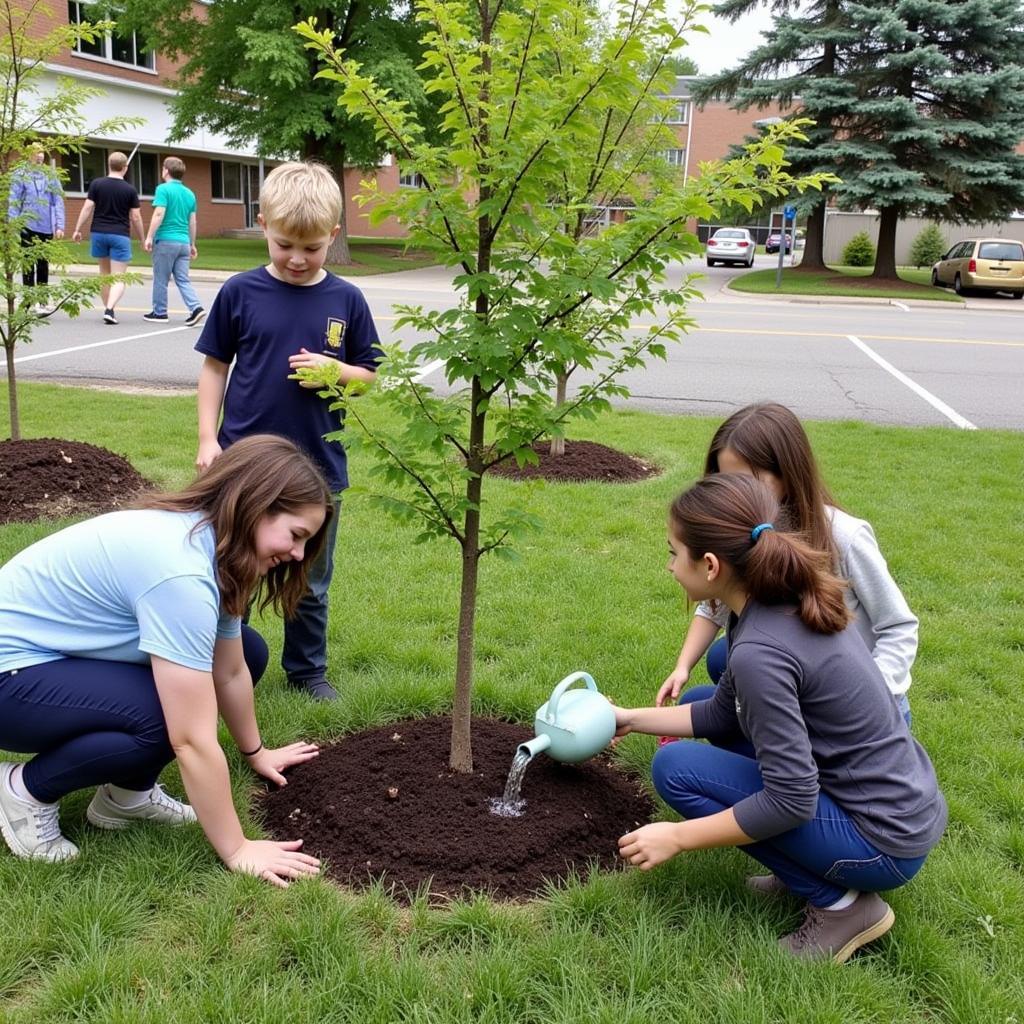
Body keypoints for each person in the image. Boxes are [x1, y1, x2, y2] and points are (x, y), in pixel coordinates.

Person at [614, 473, 947, 962]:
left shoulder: (760, 651)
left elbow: (791, 799)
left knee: (676, 770)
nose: (668, 566)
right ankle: (817, 867)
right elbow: (724, 714)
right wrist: (630, 718)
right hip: (902, 807)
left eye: (672, 552)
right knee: (707, 699)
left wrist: (677, 836)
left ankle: (843, 906)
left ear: (710, 566)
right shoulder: (782, 597)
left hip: (884, 842)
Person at [0, 435, 331, 887]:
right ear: (256, 505)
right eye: (296, 535)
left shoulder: (213, 544)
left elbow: (231, 669)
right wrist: (237, 847)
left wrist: (256, 753)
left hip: (47, 658)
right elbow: (191, 740)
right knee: (164, 717)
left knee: (247, 651)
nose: (297, 554)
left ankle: (126, 797)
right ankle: (25, 790)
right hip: (10, 677)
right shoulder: (181, 573)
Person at [194, 160, 383, 702]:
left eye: (311, 248)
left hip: (319, 469)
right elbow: (214, 366)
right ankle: (221, 666)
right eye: (283, 245)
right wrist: (209, 439)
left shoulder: (346, 300)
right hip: (244, 466)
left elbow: (368, 375)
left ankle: (307, 672)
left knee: (310, 582)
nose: (297, 259)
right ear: (262, 224)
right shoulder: (240, 291)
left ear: (333, 236)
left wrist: (337, 372)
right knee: (234, 572)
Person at [656, 402, 918, 725]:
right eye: (725, 481)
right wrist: (682, 665)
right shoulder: (744, 529)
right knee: (722, 660)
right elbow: (718, 597)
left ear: (787, 472)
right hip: (802, 675)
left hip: (861, 712)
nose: (734, 494)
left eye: (747, 481)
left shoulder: (845, 537)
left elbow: (899, 626)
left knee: (732, 674)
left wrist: (869, 699)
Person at [71, 151, 145, 325]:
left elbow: (87, 208)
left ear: (109, 164)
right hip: (120, 234)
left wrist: (77, 229)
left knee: (104, 275)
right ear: (125, 168)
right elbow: (135, 217)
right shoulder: (130, 189)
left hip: (98, 233)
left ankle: (108, 310)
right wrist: (142, 238)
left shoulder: (97, 184)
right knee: (118, 277)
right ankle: (109, 309)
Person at [143, 156, 205, 327]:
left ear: (166, 171)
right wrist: (192, 243)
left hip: (165, 240)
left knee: (161, 278)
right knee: (183, 279)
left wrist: (149, 236)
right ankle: (196, 308)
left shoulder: (163, 189)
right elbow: (192, 221)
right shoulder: (190, 193)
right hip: (183, 242)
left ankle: (160, 312)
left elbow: (159, 213)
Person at [7, 145, 65, 314]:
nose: (39, 156)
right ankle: (27, 301)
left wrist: (59, 225)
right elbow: (14, 201)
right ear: (29, 156)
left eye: (41, 153)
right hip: (26, 225)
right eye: (36, 153)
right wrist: (14, 224)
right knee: (27, 264)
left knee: (42, 264)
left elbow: (58, 200)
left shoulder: (50, 175)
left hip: (46, 226)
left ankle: (42, 302)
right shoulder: (20, 174)